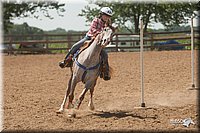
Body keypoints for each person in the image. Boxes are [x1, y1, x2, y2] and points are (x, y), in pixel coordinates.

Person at [59, 7, 114, 80]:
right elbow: (93, 29)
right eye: (106, 15)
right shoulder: (96, 20)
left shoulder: (107, 24)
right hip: (89, 38)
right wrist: (101, 33)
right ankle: (66, 61)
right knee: (75, 46)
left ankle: (105, 71)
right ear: (101, 14)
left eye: (108, 16)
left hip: (98, 42)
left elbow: (108, 32)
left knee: (105, 55)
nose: (107, 17)